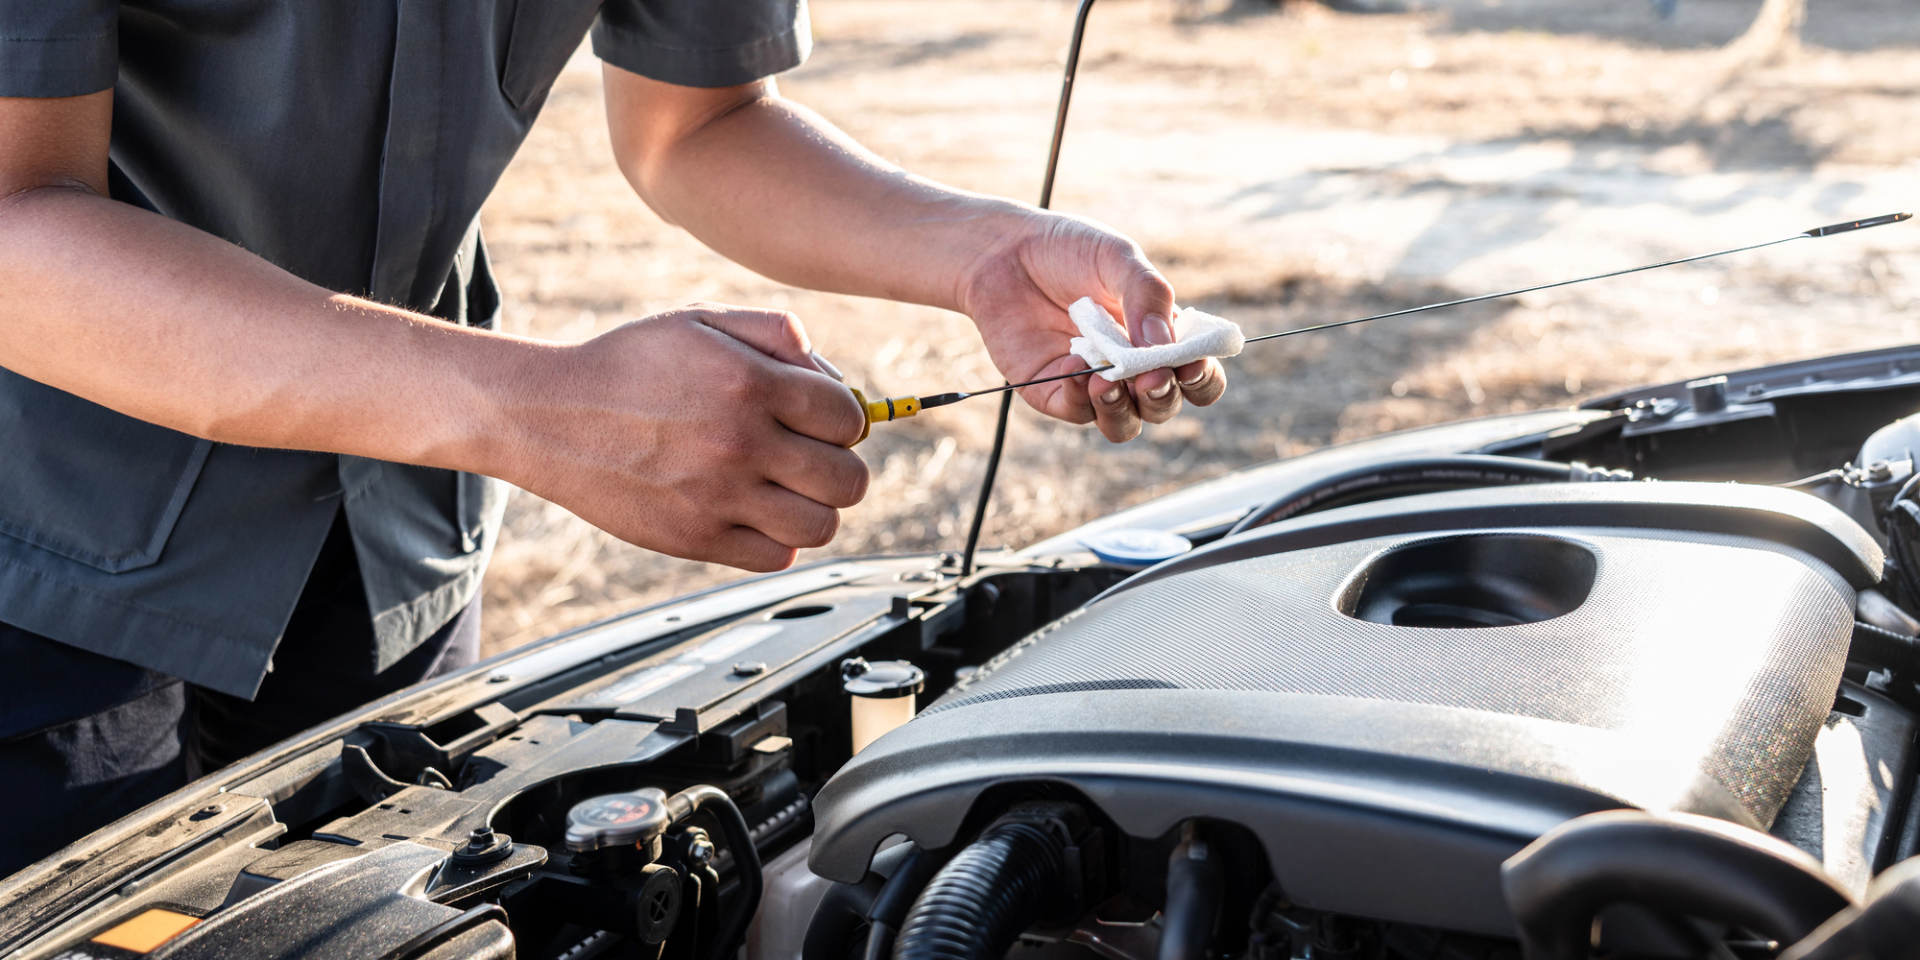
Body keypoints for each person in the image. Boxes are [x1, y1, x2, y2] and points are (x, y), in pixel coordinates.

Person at [0, 0, 1227, 874]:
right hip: (43, 556)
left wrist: (981, 255)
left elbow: (694, 124)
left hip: (390, 546)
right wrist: (536, 410)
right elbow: (16, 222)